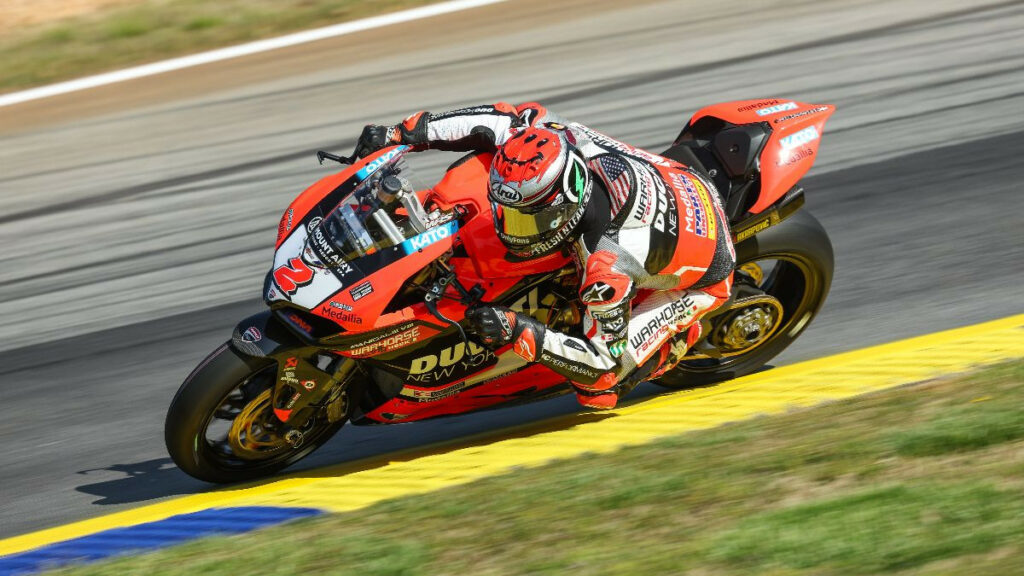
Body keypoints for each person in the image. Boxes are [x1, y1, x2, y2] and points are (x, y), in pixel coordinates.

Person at [353, 102, 735, 409]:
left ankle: (678, 343)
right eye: (509, 212)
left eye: (527, 219)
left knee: (599, 389)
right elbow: (495, 118)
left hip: (701, 273)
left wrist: (520, 330)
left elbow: (600, 359)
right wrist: (397, 135)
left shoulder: (609, 264)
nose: (511, 228)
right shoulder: (549, 138)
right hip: (674, 177)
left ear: (568, 200)